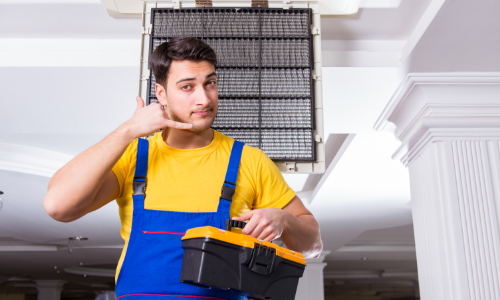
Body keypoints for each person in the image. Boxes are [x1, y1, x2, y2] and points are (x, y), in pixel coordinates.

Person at [44, 37, 323, 299]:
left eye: (210, 83)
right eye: (187, 86)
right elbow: (58, 206)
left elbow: (313, 244)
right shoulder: (134, 156)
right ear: (161, 94)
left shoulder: (249, 161)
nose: (204, 98)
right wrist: (127, 130)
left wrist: (284, 221)